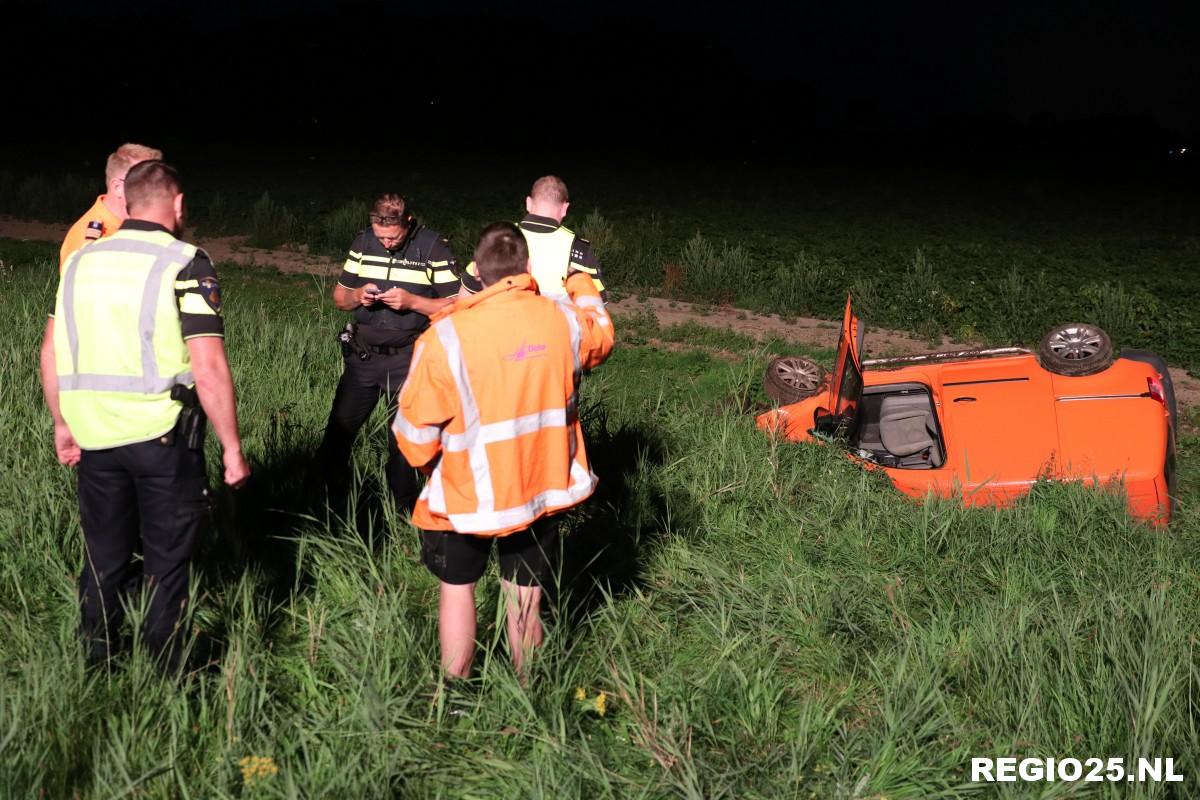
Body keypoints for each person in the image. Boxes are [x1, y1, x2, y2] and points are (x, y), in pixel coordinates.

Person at [40, 160, 250, 671]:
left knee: (104, 559)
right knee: (167, 563)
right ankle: (167, 676)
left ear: (127, 202)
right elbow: (208, 364)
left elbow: (50, 350)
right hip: (161, 436)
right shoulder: (185, 260)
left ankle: (99, 665)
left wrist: (62, 423)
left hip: (93, 435)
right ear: (177, 203)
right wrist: (233, 447)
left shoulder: (82, 261)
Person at [393, 221, 614, 679]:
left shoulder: (446, 336)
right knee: (525, 598)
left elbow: (414, 440)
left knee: (458, 591)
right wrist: (581, 283)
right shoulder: (564, 320)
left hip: (467, 495)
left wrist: (433, 461)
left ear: (476, 271)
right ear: (528, 267)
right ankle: (527, 692)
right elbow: (602, 334)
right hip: (541, 487)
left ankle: (454, 697)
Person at [315, 193, 462, 514]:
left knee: (404, 442)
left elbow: (457, 305)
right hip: (363, 358)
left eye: (392, 237)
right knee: (339, 432)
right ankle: (326, 501)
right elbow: (340, 297)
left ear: (407, 224)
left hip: (410, 358)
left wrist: (413, 303)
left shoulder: (433, 247)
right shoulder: (363, 243)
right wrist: (357, 295)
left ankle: (402, 512)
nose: (386, 243)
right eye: (380, 236)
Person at [460, 175, 607, 301]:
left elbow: (464, 297)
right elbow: (596, 306)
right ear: (564, 208)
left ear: (528, 203)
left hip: (500, 330)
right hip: (557, 332)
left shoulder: (498, 238)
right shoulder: (579, 249)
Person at [59, 142, 163, 270]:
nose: (157, 191)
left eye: (158, 182)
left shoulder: (139, 223)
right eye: (144, 183)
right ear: (117, 187)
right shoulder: (89, 238)